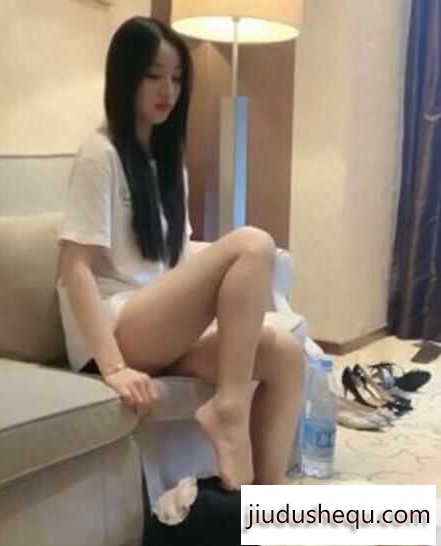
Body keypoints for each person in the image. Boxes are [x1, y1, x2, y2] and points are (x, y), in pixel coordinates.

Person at [56, 16, 304, 491]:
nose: (167, 90)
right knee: (254, 243)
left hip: (160, 327)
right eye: (153, 76)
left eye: (176, 78)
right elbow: (75, 268)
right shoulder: (99, 155)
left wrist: (216, 325)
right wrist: (113, 366)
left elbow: (178, 264)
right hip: (119, 325)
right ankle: (229, 408)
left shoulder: (167, 161)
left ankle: (265, 507)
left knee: (287, 357)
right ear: (125, 77)